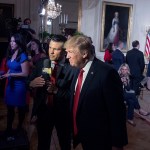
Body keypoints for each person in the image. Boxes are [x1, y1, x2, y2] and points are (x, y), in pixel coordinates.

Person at [64, 35, 128, 150]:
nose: (67, 56)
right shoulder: (77, 69)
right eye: (66, 52)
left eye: (70, 52)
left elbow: (117, 111)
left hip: (99, 139)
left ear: (84, 54)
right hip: (82, 135)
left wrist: (118, 143)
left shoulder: (107, 73)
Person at [28, 35, 75, 150]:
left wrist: (57, 90)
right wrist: (31, 83)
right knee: (43, 144)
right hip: (44, 111)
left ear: (65, 52)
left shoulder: (73, 67)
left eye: (56, 49)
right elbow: (27, 80)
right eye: (50, 47)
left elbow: (73, 95)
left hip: (63, 114)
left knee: (65, 144)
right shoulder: (42, 63)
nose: (51, 52)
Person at [1, 33, 29, 140]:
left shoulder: (23, 56)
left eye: (14, 41)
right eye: (11, 41)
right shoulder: (11, 53)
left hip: (19, 87)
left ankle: (19, 128)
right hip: (10, 86)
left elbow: (25, 73)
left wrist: (11, 74)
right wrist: (5, 75)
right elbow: (11, 68)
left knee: (20, 109)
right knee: (10, 109)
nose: (11, 43)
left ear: (19, 42)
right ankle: (8, 129)